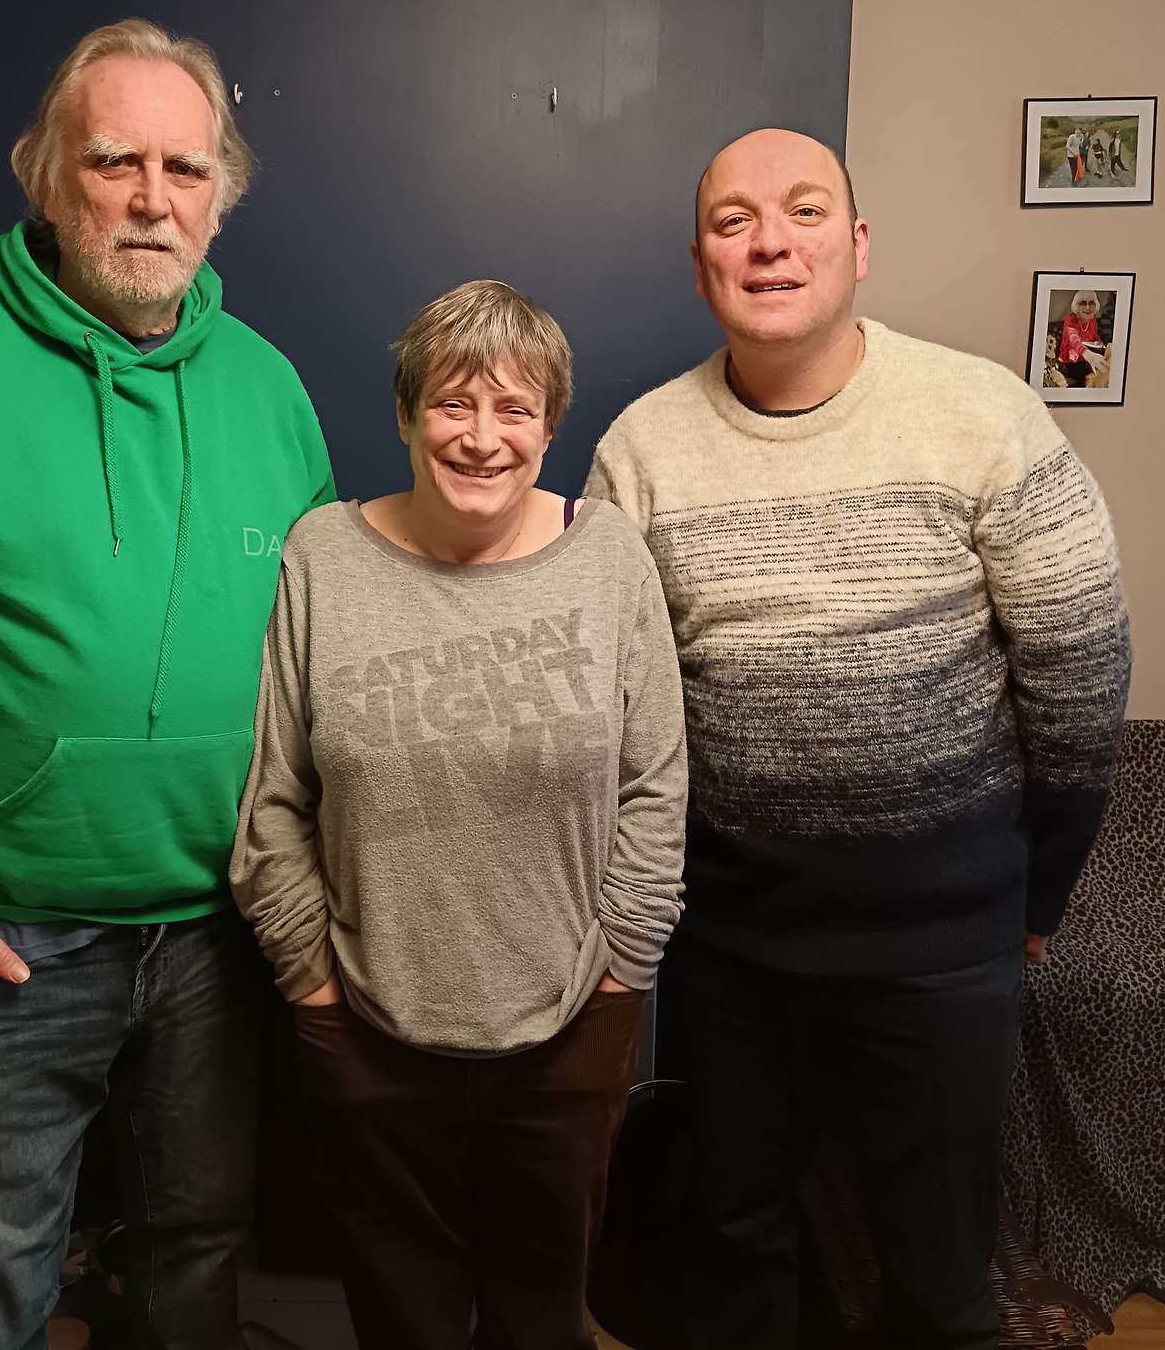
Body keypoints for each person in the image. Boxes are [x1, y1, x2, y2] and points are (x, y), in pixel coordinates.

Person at [0, 18, 334, 1350]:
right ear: (47, 177)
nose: (152, 198)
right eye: (114, 161)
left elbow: (324, 653)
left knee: (195, 1246)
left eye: (185, 169)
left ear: (219, 199)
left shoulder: (268, 389)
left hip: (218, 925)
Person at [584, 128, 1130, 1350]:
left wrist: (1037, 888)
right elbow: (622, 715)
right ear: (699, 266)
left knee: (939, 1278)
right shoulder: (638, 449)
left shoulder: (982, 414)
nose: (768, 242)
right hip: (729, 948)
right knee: (735, 1248)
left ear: (857, 243)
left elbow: (1080, 677)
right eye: (731, 221)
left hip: (942, 949)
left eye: (802, 209)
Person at [232, 280, 687, 1349]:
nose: (482, 437)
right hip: (365, 1029)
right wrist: (313, 985)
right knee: (404, 1320)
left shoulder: (608, 555)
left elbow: (656, 785)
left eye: (514, 407)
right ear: (405, 414)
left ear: (549, 425)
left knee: (540, 1322)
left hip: (570, 1029)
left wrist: (619, 973)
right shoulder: (322, 556)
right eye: (452, 402)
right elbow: (274, 800)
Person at [1058, 289, 1106, 386]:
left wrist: (1099, 342)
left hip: (1085, 360)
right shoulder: (1071, 319)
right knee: (1091, 377)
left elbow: (1095, 336)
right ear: (1076, 306)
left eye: (1091, 303)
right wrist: (1087, 354)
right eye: (1083, 303)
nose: (1088, 307)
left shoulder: (1092, 319)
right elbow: (1073, 340)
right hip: (1069, 362)